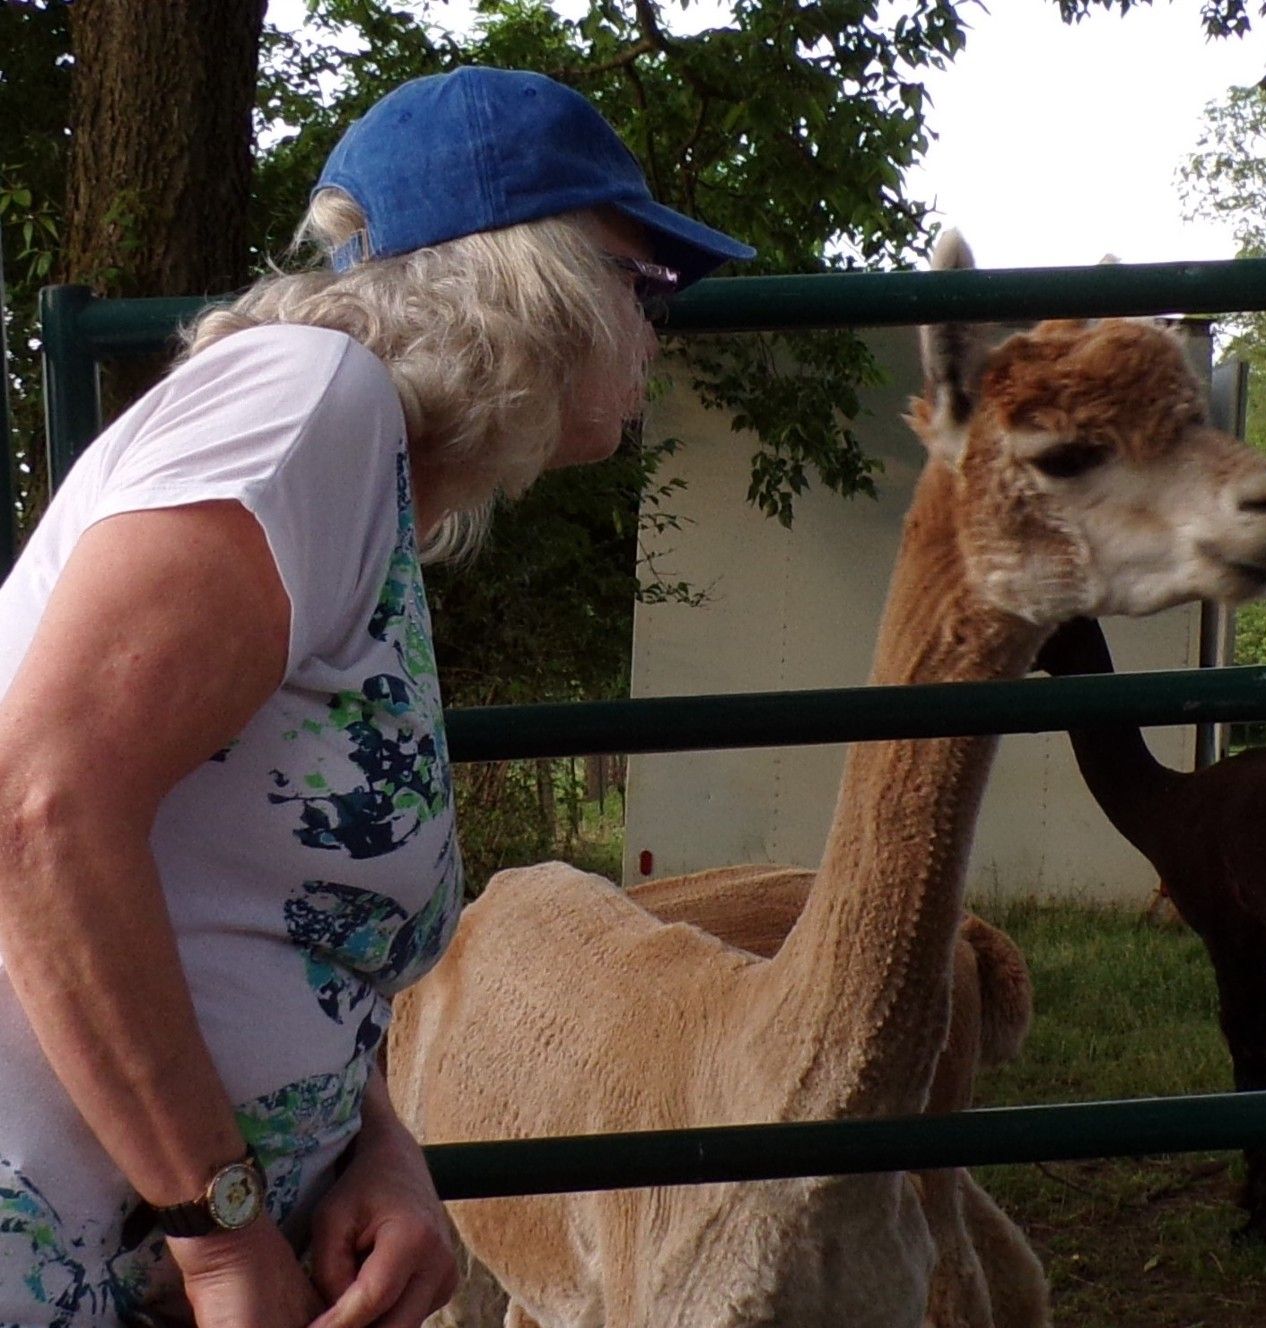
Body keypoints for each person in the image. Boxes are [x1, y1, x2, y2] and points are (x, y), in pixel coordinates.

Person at [0, 66, 753, 1328]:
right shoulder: (309, 403)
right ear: (540, 279)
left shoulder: (360, 480)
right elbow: (38, 808)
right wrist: (224, 1235)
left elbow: (283, 925)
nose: (656, 333)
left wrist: (376, 1149)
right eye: (648, 286)